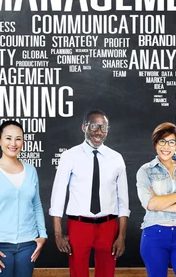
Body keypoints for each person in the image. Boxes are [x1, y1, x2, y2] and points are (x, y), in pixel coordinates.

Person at [49, 110, 130, 277]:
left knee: (107, 274)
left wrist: (121, 235)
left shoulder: (116, 158)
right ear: (84, 127)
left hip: (109, 226)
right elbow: (58, 197)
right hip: (78, 226)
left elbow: (123, 201)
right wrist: (58, 234)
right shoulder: (69, 156)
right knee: (78, 274)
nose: (99, 132)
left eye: (104, 127)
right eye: (94, 126)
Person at [0, 120, 47, 276]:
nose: (13, 143)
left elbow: (37, 205)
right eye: (8, 138)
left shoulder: (31, 170)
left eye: (18, 138)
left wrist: (42, 235)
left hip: (28, 246)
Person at [136, 122, 176, 277]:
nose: (166, 146)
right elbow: (149, 204)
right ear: (155, 143)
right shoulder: (146, 171)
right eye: (162, 141)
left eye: (171, 142)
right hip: (154, 235)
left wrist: (160, 202)